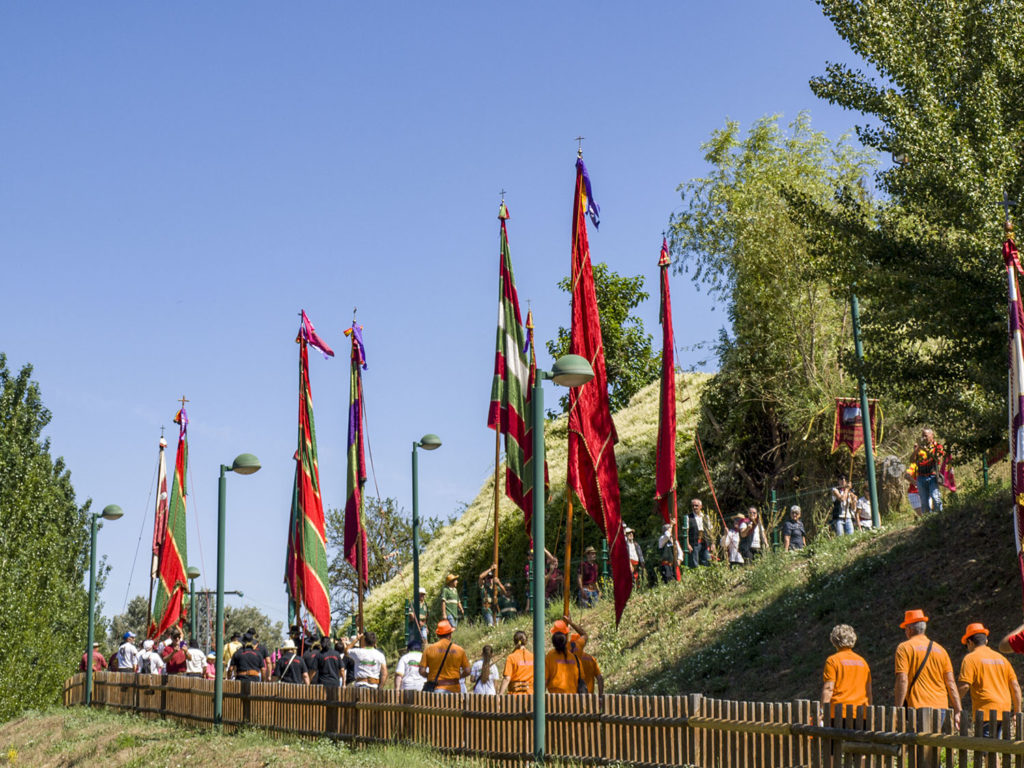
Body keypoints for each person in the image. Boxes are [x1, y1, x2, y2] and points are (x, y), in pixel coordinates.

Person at [894, 610, 961, 728]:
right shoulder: (941, 650)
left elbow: (902, 680)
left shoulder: (904, 648)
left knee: (917, 745)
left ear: (909, 629)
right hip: (941, 708)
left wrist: (898, 709)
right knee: (933, 744)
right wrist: (958, 710)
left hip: (918, 706)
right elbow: (950, 683)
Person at [958, 622, 1021, 735]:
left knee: (984, 748)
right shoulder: (1002, 659)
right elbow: (1015, 687)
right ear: (986, 641)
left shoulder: (970, 659)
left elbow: (965, 686)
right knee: (995, 746)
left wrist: (953, 703)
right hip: (1004, 712)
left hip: (985, 712)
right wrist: (1017, 712)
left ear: (969, 642)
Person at [820, 624, 871, 719]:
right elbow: (868, 691)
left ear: (834, 640)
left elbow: (829, 688)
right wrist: (868, 712)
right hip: (860, 714)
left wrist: (822, 710)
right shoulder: (863, 662)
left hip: (838, 713)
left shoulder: (832, 661)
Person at [419, 619, 471, 694]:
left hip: (435, 689)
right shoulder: (460, 650)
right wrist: (459, 677)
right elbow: (467, 671)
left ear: (437, 635)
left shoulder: (429, 650)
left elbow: (422, 671)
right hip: (454, 690)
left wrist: (430, 677)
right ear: (450, 635)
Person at [546, 616, 584, 694]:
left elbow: (545, 679)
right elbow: (584, 635)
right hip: (572, 698)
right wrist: (571, 623)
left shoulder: (550, 656)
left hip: (555, 697)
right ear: (566, 634)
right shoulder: (575, 648)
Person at [913, 429, 946, 514]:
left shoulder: (937, 446)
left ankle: (939, 516)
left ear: (932, 436)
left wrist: (926, 450)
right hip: (921, 476)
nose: (924, 438)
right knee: (924, 501)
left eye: (926, 436)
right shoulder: (919, 447)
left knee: (935, 497)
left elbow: (937, 459)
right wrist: (917, 450)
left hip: (932, 476)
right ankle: (927, 520)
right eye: (922, 436)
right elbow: (912, 460)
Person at [498, 630, 533, 695]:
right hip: (531, 696)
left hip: (515, 697)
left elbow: (507, 678)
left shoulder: (511, 657)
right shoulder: (532, 657)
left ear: (514, 641)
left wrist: (500, 694)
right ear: (526, 642)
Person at [688, 500, 711, 567]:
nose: (694, 507)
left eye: (696, 506)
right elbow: (686, 532)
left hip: (705, 543)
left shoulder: (706, 517)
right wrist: (688, 544)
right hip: (694, 543)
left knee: (707, 561)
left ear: (701, 506)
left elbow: (710, 531)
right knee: (695, 563)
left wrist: (712, 543)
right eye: (693, 506)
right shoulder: (688, 517)